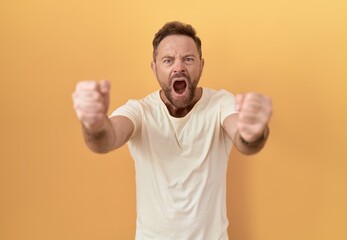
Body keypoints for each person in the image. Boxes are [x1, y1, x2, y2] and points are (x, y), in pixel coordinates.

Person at [72, 21, 272, 240]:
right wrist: (95, 125)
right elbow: (105, 140)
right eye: (168, 60)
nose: (179, 67)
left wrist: (253, 133)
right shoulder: (139, 110)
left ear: (201, 65)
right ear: (154, 67)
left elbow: (243, 136)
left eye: (188, 59)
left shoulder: (221, 103)